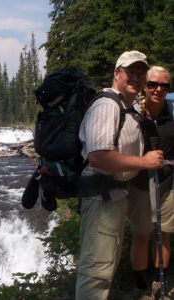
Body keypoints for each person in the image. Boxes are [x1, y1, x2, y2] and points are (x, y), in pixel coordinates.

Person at [75, 51, 164, 300]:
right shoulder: (107, 105)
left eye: (140, 73)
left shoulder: (127, 105)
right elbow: (99, 156)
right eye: (130, 72)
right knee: (96, 271)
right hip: (101, 197)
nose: (135, 78)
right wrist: (143, 162)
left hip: (115, 194)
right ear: (116, 73)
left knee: (105, 265)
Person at [129, 66, 173, 299]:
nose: (158, 89)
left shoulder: (172, 112)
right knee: (142, 234)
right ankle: (140, 285)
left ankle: (159, 283)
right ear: (145, 86)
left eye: (164, 85)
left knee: (164, 233)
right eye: (153, 84)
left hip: (167, 183)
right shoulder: (134, 114)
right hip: (140, 184)